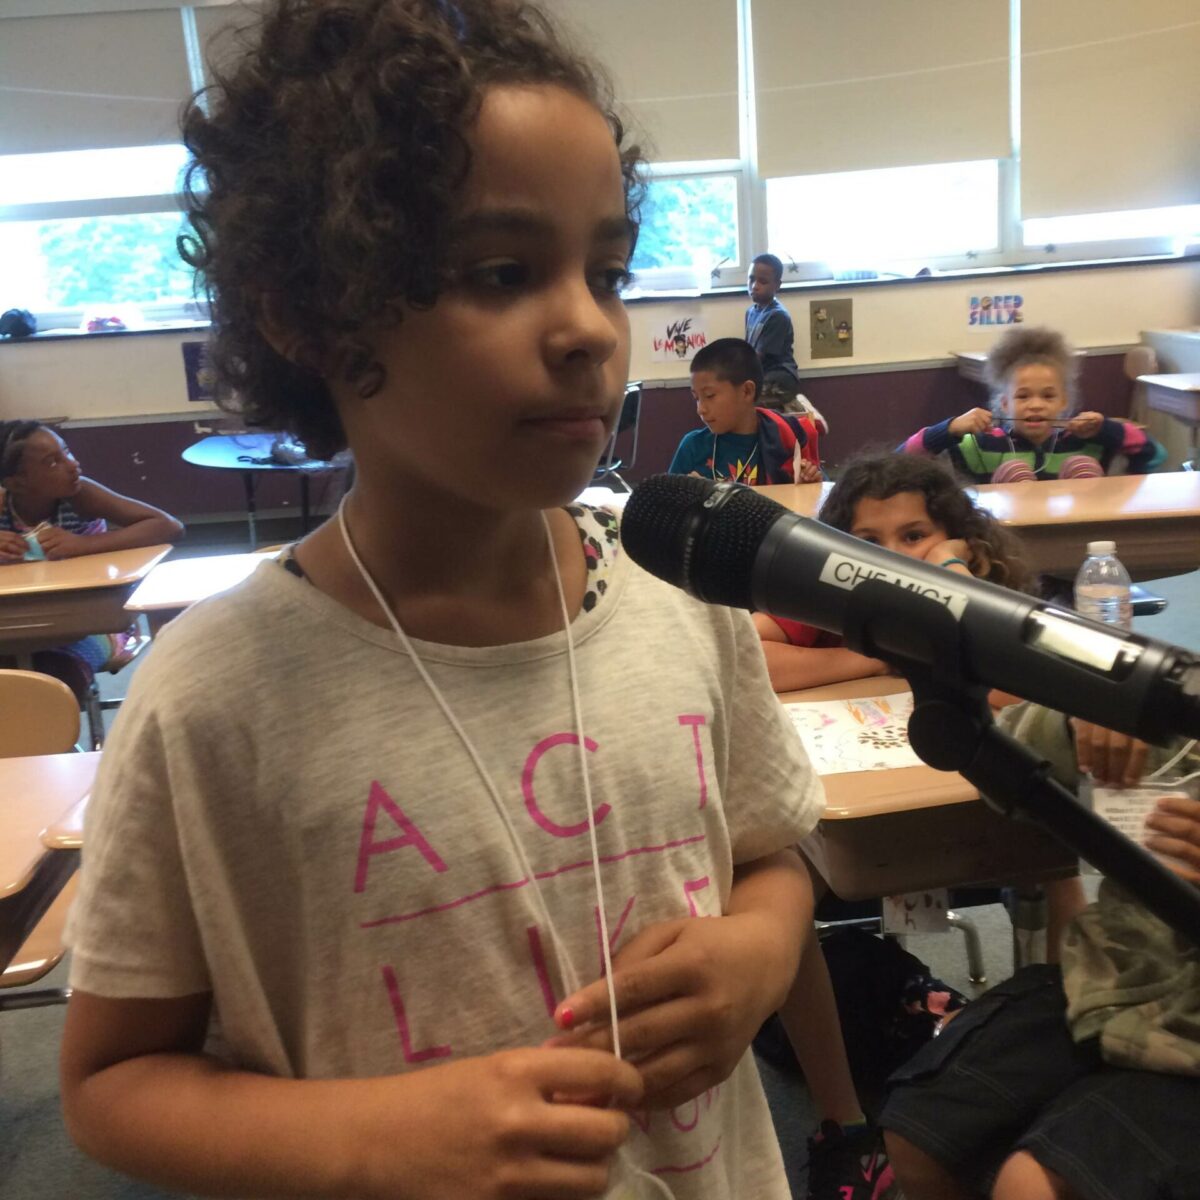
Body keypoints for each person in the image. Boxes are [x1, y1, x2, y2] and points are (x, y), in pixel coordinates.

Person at [57, 4, 823, 1199]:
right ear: (310, 313)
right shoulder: (210, 700)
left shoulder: (680, 588)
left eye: (605, 271)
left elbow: (775, 855)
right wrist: (377, 1138)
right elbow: (109, 1085)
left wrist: (756, 956)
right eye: (503, 273)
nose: (585, 326)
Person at [879, 714, 1200, 1200]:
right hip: (1119, 978)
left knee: (1034, 1187)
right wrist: (1077, 716)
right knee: (918, 1133)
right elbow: (996, 757)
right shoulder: (1170, 662)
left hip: (1186, 1033)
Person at [754, 452, 1030, 693]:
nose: (892, 557)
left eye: (913, 536)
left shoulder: (963, 569)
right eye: (870, 542)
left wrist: (946, 563)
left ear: (956, 534)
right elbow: (747, 655)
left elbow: (1011, 687)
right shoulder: (826, 583)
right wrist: (882, 658)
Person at [0, 419, 183, 672]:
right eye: (53, 462)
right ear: (16, 483)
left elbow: (168, 526)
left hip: (94, 621)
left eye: (66, 452)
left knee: (57, 672)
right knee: (11, 677)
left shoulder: (80, 496)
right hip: (17, 624)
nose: (72, 464)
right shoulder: (2, 505)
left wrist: (83, 544)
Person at [899, 326, 1165, 484]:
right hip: (1007, 549)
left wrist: (1105, 429)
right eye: (1023, 396)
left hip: (1078, 544)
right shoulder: (982, 445)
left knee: (1082, 467)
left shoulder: (1086, 442)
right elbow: (901, 461)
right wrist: (950, 428)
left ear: (1064, 402)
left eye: (1048, 396)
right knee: (1014, 473)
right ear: (1004, 403)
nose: (1035, 405)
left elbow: (1155, 455)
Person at [668, 337, 823, 484]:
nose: (700, 409)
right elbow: (665, 504)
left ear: (747, 391)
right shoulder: (693, 447)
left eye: (709, 396)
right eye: (697, 398)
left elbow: (818, 497)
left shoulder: (787, 439)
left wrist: (809, 481)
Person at [745, 253, 803, 408]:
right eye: (751, 279)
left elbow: (757, 359)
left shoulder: (777, 316)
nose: (754, 286)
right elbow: (748, 352)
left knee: (741, 397)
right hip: (761, 375)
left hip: (780, 380)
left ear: (777, 285)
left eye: (762, 281)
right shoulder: (751, 312)